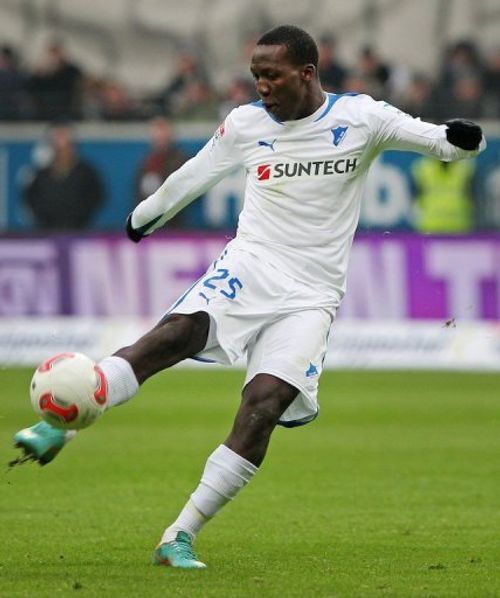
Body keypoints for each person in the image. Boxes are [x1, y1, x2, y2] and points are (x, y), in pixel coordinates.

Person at [13, 25, 485, 569]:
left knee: (262, 407)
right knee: (177, 334)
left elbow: (436, 140)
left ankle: (179, 535)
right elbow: (194, 174)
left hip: (312, 295)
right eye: (255, 75)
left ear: (306, 73)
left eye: (271, 75)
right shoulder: (245, 125)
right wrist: (144, 218)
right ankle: (62, 421)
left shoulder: (361, 118)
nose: (261, 86)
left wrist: (462, 139)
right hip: (252, 263)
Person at [23, 122, 105, 231]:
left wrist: (81, 215)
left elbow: (97, 196)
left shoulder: (86, 173)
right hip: (47, 231)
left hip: (80, 230)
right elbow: (30, 197)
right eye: (58, 147)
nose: (63, 151)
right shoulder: (42, 174)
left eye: (66, 146)